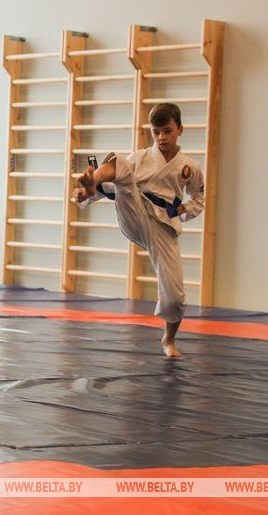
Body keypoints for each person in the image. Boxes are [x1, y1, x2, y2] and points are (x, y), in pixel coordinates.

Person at [73, 103, 204, 357]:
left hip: (163, 226)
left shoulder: (190, 168)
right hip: (135, 211)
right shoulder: (141, 157)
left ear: (180, 130)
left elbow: (198, 199)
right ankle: (93, 180)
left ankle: (169, 339)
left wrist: (183, 209)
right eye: (156, 132)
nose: (161, 137)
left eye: (167, 131)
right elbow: (118, 181)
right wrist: (86, 194)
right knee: (121, 164)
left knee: (175, 295)